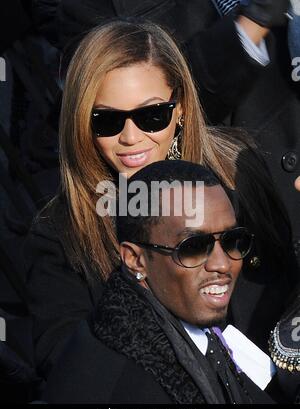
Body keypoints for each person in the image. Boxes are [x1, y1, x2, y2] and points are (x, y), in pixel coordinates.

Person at [24, 20, 297, 380]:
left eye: (152, 115)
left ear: (180, 107)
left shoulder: (239, 168)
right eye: (107, 120)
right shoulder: (61, 232)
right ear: (81, 122)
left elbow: (287, 283)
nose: (130, 137)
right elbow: (66, 364)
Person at [42, 160, 274, 404]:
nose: (223, 264)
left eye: (232, 240)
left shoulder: (179, 325)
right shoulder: (121, 384)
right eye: (193, 247)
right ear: (134, 259)